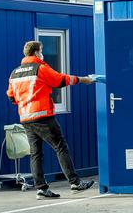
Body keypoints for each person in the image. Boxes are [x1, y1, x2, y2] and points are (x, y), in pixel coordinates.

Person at [7, 40, 96, 199]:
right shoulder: (40, 68)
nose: (42, 54)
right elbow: (60, 80)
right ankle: (75, 182)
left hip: (26, 118)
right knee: (60, 146)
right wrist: (82, 79)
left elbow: (11, 97)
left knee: (36, 154)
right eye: (41, 51)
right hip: (42, 115)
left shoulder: (15, 73)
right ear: (35, 53)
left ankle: (41, 188)